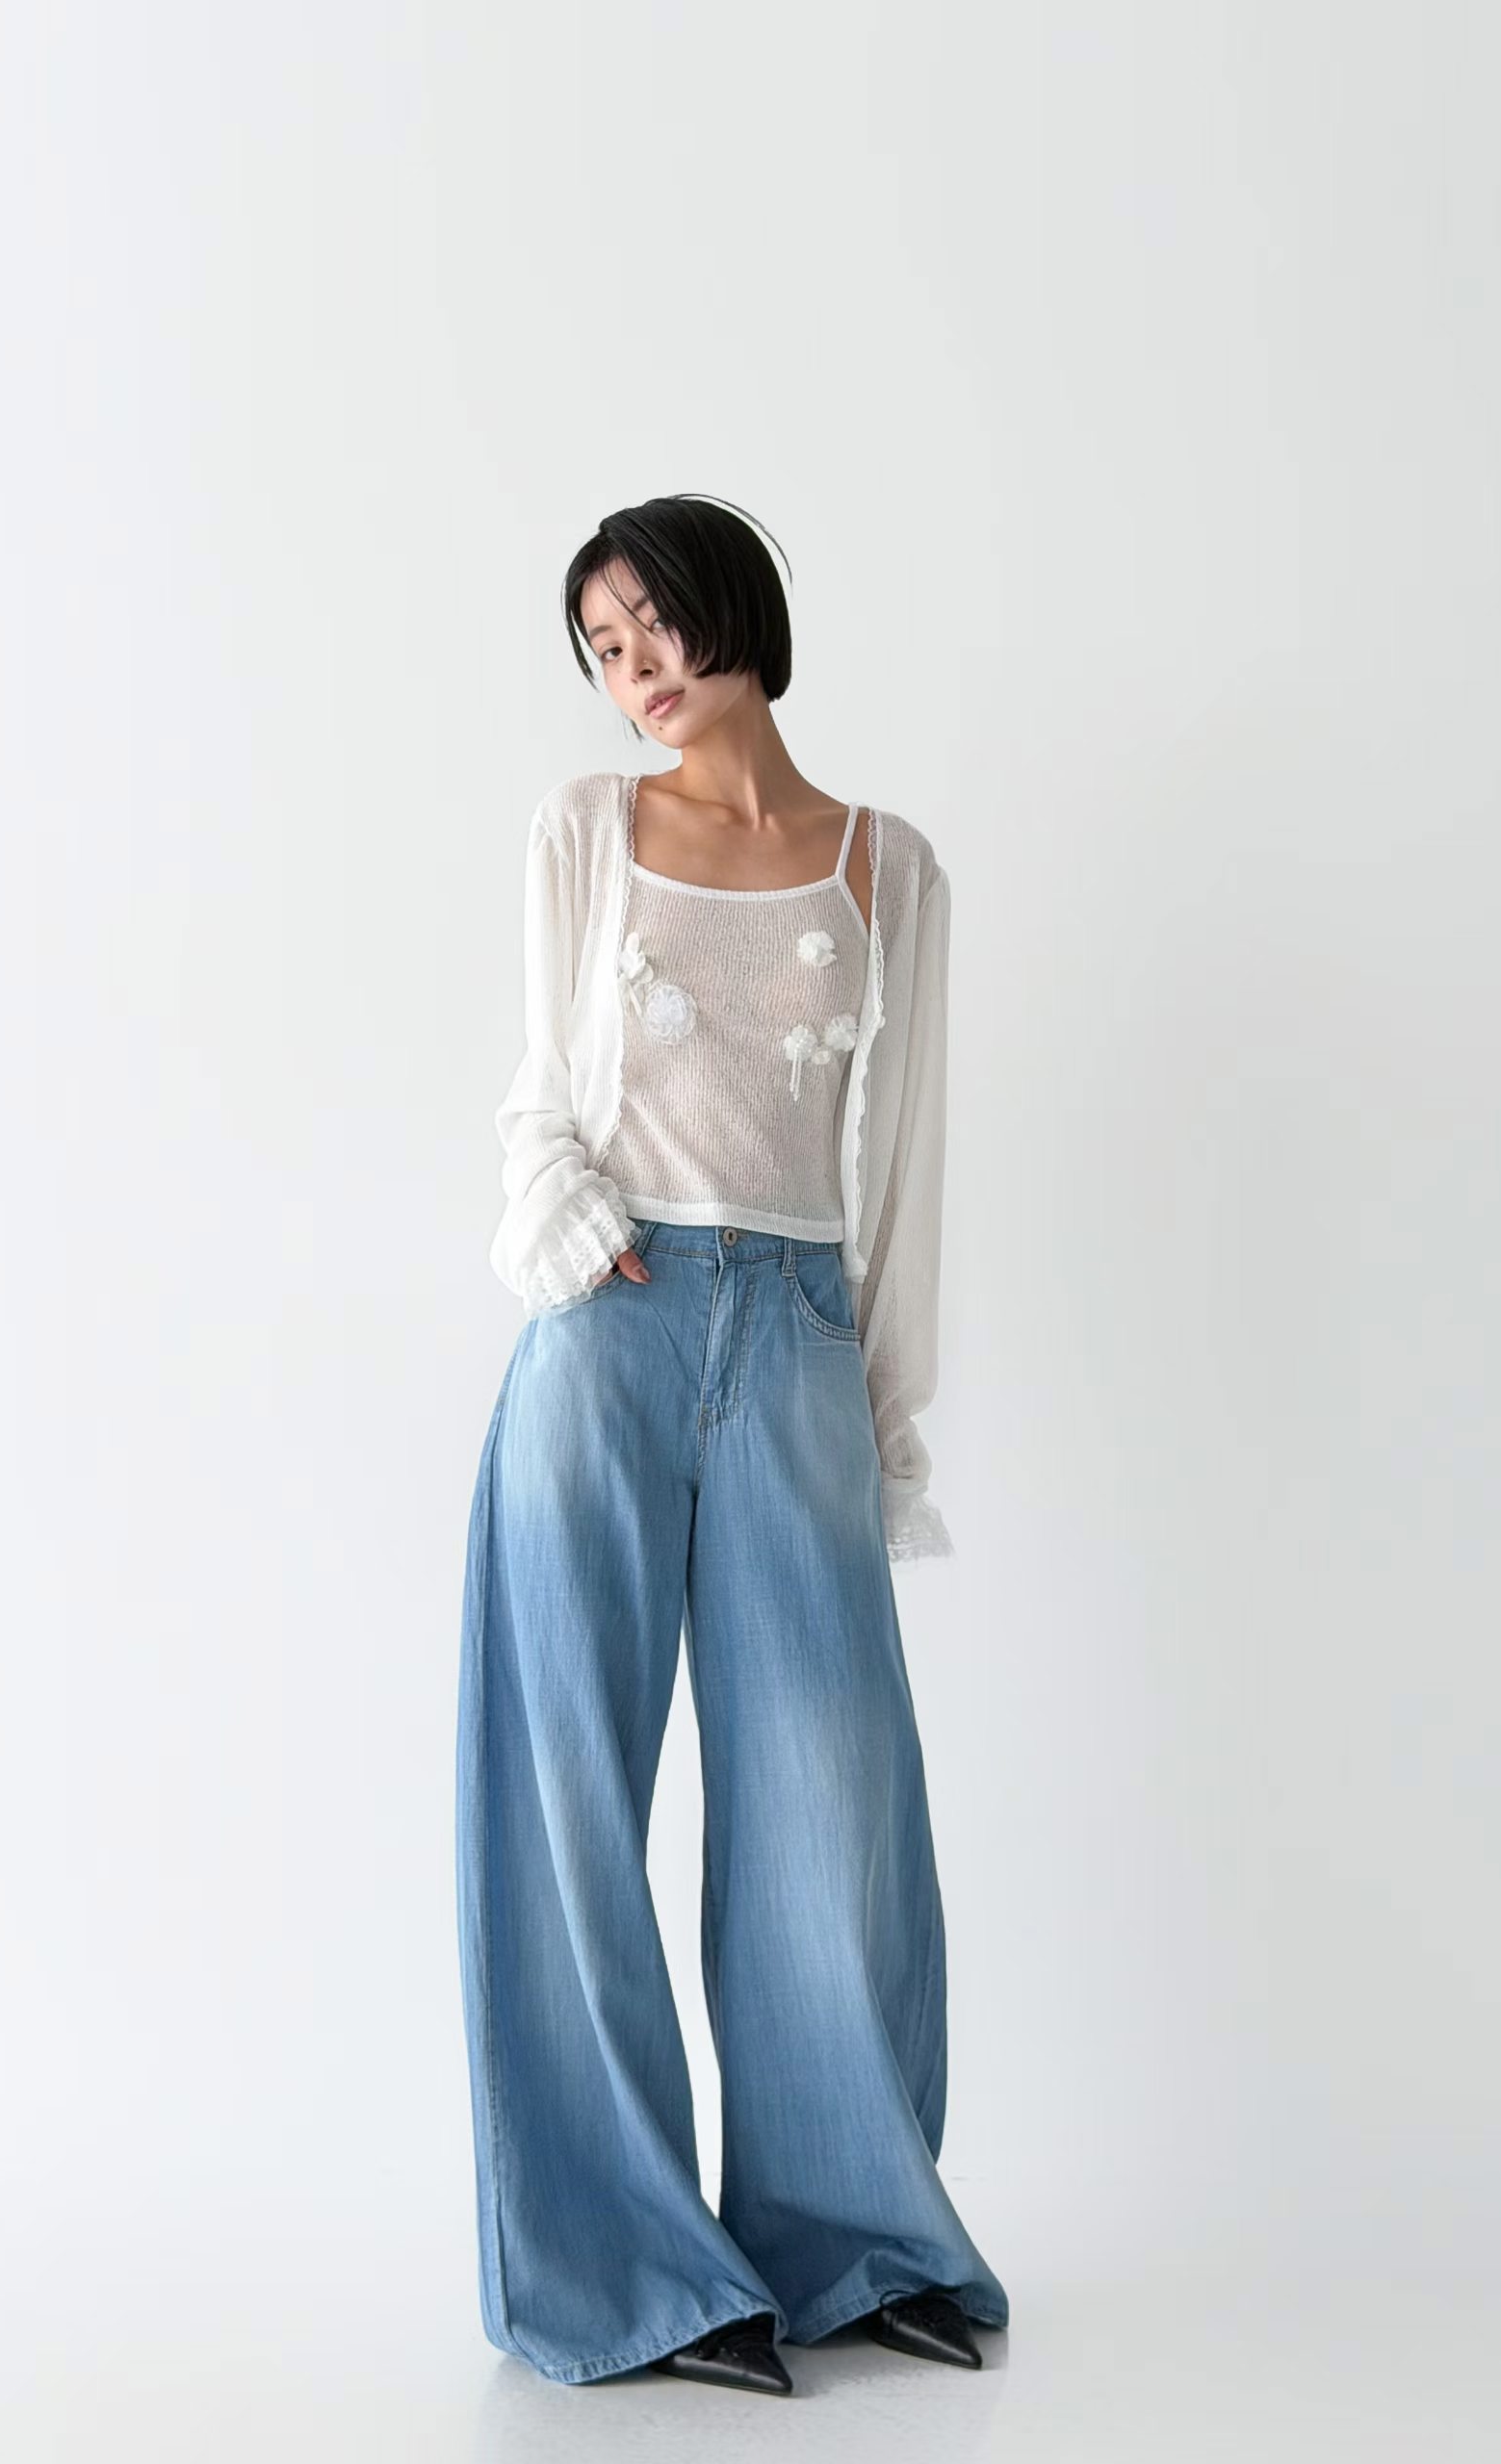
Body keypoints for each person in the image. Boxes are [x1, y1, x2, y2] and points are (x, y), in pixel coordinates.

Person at [454, 494, 1008, 2396]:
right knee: (565, 1800)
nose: (636, 669)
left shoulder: (887, 868)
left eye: (652, 623)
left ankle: (856, 2237)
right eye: (603, 649)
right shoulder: (584, 834)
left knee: (826, 1794)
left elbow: (901, 1174)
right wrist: (567, 1232)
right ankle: (621, 2264)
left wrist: (879, 1410)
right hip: (604, 1331)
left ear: (730, 606)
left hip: (795, 1334)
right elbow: (538, 1103)